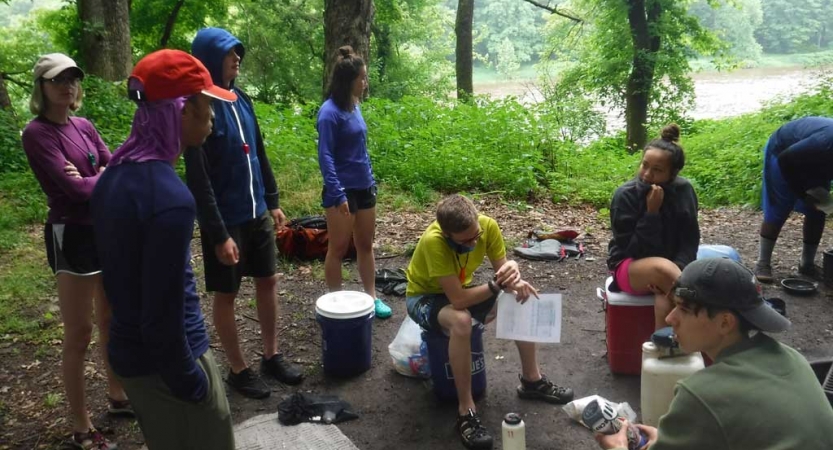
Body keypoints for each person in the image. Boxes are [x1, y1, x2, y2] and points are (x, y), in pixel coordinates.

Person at [90, 49, 237, 450]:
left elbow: (113, 283)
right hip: (171, 363)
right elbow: (161, 314)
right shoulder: (170, 198)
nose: (212, 116)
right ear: (180, 111)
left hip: (132, 361)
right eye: (206, 105)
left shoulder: (111, 179)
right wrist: (191, 382)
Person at [595, 258, 833, 450]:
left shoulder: (701, 393)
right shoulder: (791, 357)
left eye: (684, 309)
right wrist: (674, 436)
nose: (670, 318)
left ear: (725, 323)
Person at [405, 194, 574, 450]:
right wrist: (496, 285)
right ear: (448, 234)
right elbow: (459, 299)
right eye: (466, 240)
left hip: (459, 289)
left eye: (476, 235)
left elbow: (504, 272)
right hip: (424, 297)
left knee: (521, 296)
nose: (475, 241)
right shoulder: (434, 242)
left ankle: (532, 380)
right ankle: (466, 410)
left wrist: (514, 276)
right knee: (460, 321)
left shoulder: (487, 226)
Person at [21, 53, 130, 450]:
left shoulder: (83, 125)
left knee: (109, 317)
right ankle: (81, 427)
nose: (67, 86)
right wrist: (97, 176)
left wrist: (95, 175)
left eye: (72, 79)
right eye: (57, 80)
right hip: (71, 235)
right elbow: (73, 191)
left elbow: (114, 166)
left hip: (101, 229)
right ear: (42, 88)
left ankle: (117, 396)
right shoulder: (37, 133)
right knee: (79, 332)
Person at [188, 27, 303, 399]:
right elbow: (199, 180)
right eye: (228, 52)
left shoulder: (242, 100)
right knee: (226, 293)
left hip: (256, 212)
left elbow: (259, 153)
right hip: (225, 220)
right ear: (209, 58)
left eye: (238, 51)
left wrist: (272, 199)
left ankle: (271, 355)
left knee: (268, 280)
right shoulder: (197, 107)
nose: (237, 57)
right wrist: (218, 233)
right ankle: (238, 368)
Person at [317, 45, 392, 319]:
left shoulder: (354, 105)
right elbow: (325, 157)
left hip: (364, 187)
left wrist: (370, 179)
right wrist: (338, 194)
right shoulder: (329, 113)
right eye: (362, 78)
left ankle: (371, 297)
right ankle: (335, 305)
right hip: (342, 191)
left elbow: (360, 148)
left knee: (365, 245)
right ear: (348, 80)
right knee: (337, 248)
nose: (365, 82)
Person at [607, 124, 700, 330]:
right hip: (630, 267)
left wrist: (680, 266)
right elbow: (631, 249)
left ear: (673, 172)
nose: (647, 174)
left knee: (665, 300)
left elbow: (690, 239)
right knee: (662, 269)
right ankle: (713, 332)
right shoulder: (626, 195)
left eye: (657, 170)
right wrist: (651, 214)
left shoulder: (684, 191)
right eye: (644, 165)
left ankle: (665, 353)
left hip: (674, 271)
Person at [754, 117, 833, 282]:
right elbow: (786, 159)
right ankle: (763, 263)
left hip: (816, 162)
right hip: (783, 151)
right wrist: (803, 194)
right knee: (779, 208)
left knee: (818, 211)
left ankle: (807, 264)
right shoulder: (824, 142)